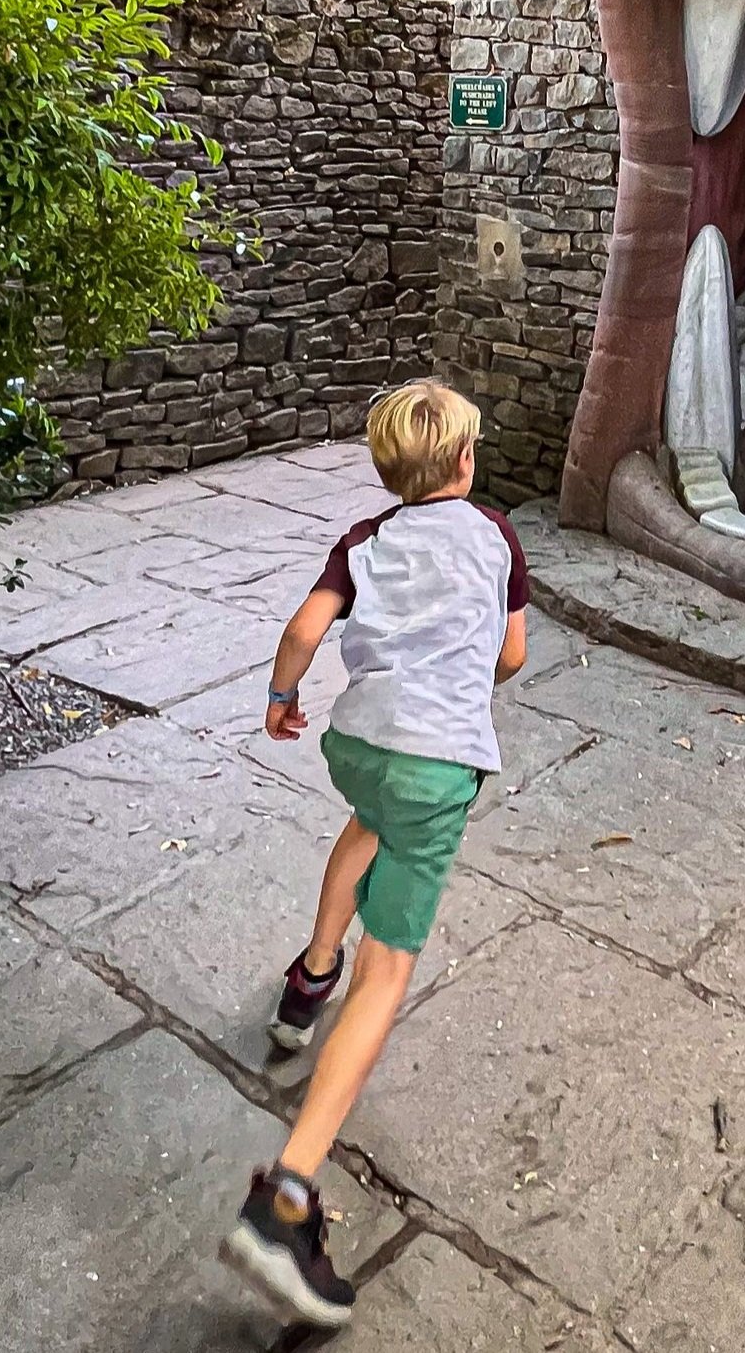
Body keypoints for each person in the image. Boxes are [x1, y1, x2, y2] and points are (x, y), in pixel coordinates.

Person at [222, 379, 529, 1328]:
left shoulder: (364, 539)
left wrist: (282, 696)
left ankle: (309, 977)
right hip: (438, 765)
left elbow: (306, 629)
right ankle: (288, 1196)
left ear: (389, 471)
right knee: (388, 968)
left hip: (360, 745)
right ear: (467, 462)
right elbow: (512, 657)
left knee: (366, 824)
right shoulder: (498, 539)